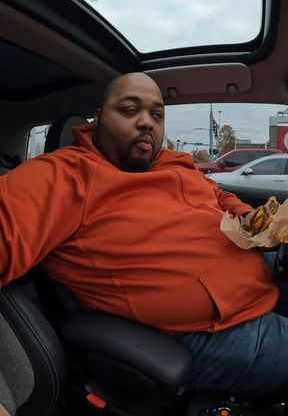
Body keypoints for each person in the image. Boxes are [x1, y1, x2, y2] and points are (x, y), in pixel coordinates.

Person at [0, 72, 286, 397]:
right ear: (99, 119)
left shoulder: (170, 161)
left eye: (157, 114)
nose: (147, 122)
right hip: (212, 330)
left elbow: (215, 193)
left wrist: (245, 214)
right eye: (129, 110)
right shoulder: (64, 175)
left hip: (259, 271)